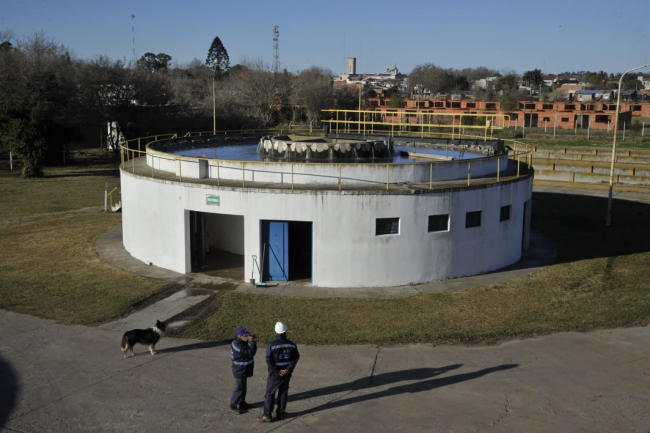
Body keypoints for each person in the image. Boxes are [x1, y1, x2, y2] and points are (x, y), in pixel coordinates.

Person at [260, 321, 300, 422]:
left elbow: (269, 360)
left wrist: (277, 371)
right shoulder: (292, 345)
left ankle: (267, 415)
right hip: (286, 374)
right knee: (283, 392)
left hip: (274, 374)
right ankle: (281, 413)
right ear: (285, 331)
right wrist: (287, 370)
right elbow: (295, 358)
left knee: (270, 393)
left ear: (276, 332)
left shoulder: (271, 345)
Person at [229, 327, 257, 414]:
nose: (247, 337)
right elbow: (251, 352)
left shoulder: (240, 342)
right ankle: (233, 405)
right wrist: (252, 342)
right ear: (240, 336)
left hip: (243, 369)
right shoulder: (238, 346)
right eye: (245, 335)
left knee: (243, 387)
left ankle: (242, 402)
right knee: (239, 387)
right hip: (239, 370)